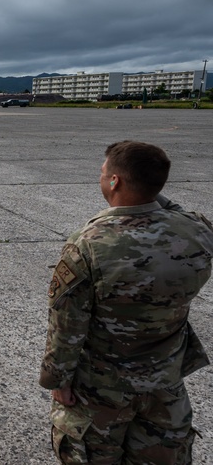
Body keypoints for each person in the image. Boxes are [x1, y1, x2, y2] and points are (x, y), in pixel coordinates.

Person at [40, 141, 213, 464]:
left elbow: (67, 325)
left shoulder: (88, 244)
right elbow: (177, 211)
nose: (101, 177)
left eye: (104, 173)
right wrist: (150, 188)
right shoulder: (197, 232)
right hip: (165, 385)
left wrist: (58, 380)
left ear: (115, 181)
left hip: (102, 390)